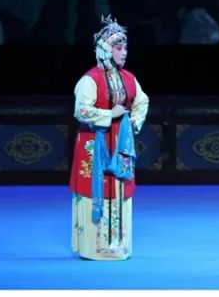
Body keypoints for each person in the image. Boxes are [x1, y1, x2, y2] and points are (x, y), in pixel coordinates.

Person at [69, 15, 149, 260]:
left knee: (120, 187)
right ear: (105, 49)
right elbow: (81, 110)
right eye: (118, 47)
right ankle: (94, 247)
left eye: (125, 47)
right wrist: (109, 114)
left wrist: (131, 122)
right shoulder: (90, 79)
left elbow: (142, 100)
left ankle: (119, 245)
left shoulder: (129, 78)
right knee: (95, 189)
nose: (124, 52)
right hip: (95, 142)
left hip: (120, 142)